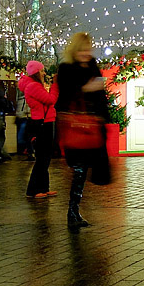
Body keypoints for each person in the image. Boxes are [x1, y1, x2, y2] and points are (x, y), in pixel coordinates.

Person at [56, 32, 110, 231]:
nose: (86, 53)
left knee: (84, 169)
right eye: (82, 50)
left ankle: (74, 211)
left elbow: (101, 98)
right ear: (74, 50)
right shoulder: (66, 69)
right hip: (74, 126)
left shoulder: (93, 67)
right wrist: (86, 88)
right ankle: (72, 211)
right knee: (79, 170)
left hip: (92, 127)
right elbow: (65, 94)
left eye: (88, 49)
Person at [20, 61, 59, 198]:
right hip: (42, 123)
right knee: (42, 158)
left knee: (46, 157)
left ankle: (43, 187)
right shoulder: (33, 86)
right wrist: (55, 86)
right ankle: (34, 190)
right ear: (36, 72)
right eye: (42, 71)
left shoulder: (35, 85)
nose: (44, 73)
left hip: (45, 122)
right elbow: (50, 100)